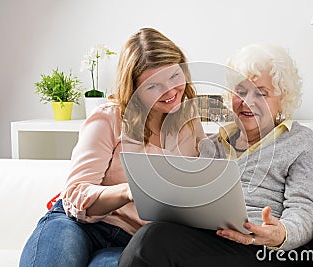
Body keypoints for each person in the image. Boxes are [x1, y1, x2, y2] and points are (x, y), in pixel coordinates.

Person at [118, 44, 313, 266]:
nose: (248, 101)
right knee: (151, 235)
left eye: (261, 93)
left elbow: (303, 209)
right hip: (211, 240)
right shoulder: (212, 145)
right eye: (241, 92)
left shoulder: (301, 141)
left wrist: (280, 233)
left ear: (282, 98)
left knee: (151, 241)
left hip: (264, 248)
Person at [19, 27, 205, 267]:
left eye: (173, 76)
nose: (170, 90)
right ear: (134, 88)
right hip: (75, 224)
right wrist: (129, 191)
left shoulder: (190, 122)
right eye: (153, 86)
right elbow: (75, 194)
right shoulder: (109, 118)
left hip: (131, 241)